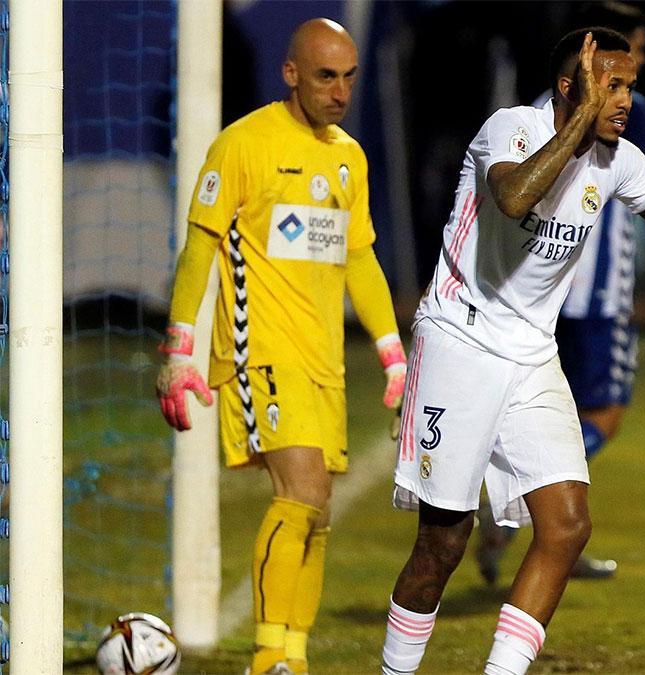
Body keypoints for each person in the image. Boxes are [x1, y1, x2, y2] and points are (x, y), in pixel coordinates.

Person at [381, 28, 645, 675]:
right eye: (611, 86)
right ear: (570, 88)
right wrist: (578, 130)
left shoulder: (617, 158)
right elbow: (514, 197)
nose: (626, 101)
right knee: (442, 543)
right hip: (461, 339)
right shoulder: (512, 127)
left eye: (627, 86)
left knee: (566, 525)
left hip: (532, 355)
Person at [155, 19, 407, 675]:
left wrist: (392, 351)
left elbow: (362, 261)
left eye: (350, 76)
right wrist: (178, 349)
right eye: (327, 76)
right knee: (300, 491)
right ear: (291, 73)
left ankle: (293, 652)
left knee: (317, 509)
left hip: (323, 362)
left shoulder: (349, 156)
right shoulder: (243, 145)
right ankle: (269, 655)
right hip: (258, 350)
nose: (341, 91)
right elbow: (199, 250)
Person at [475, 0, 645, 584]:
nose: (631, 86)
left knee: (552, 411)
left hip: (533, 299)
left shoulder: (531, 114)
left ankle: (544, 523)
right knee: (602, 410)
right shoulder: (620, 119)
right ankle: (517, 502)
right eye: (625, 67)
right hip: (593, 292)